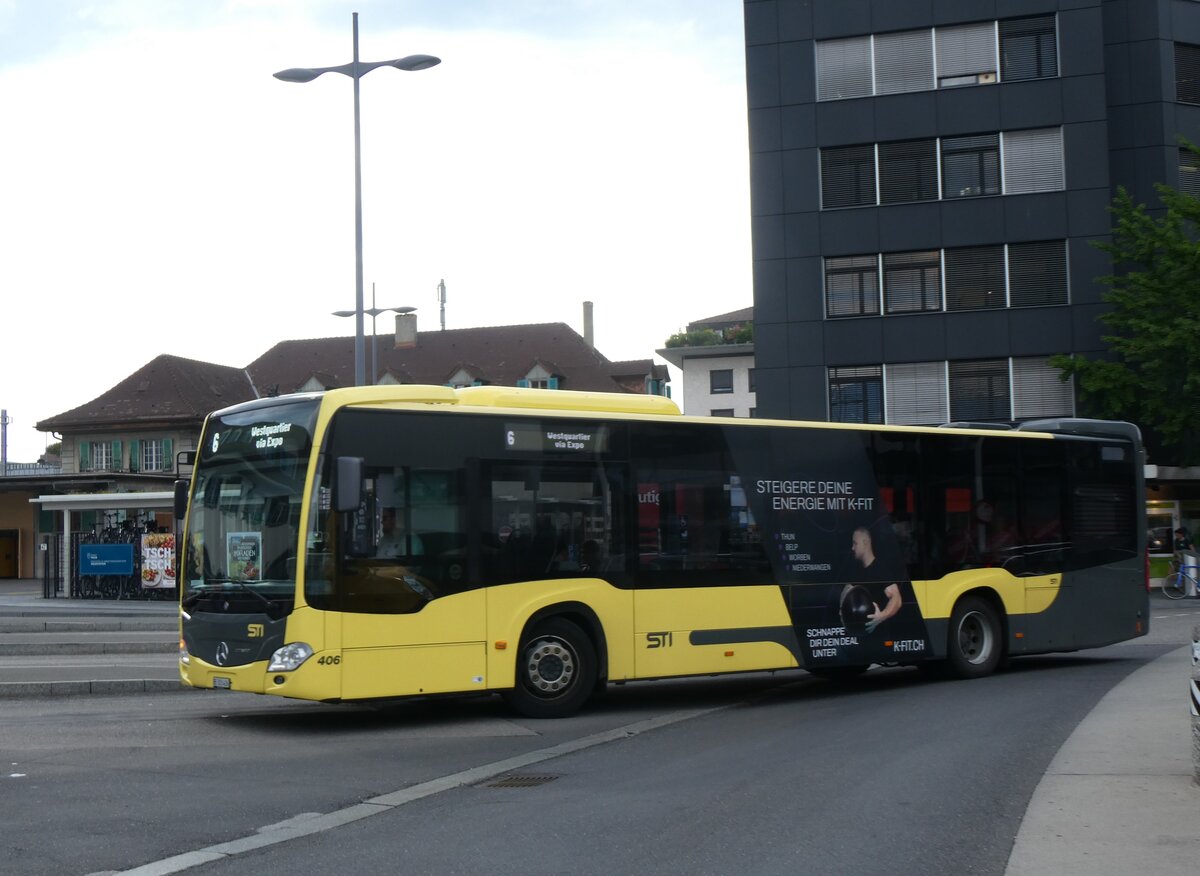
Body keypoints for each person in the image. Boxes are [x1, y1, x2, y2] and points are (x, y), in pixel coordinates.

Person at [842, 526, 901, 634]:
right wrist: (842, 610)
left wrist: (882, 616)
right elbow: (847, 589)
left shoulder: (880, 570)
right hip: (859, 636)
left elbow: (897, 599)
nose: (852, 548)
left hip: (878, 636)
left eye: (855, 543)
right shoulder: (855, 570)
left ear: (865, 543)